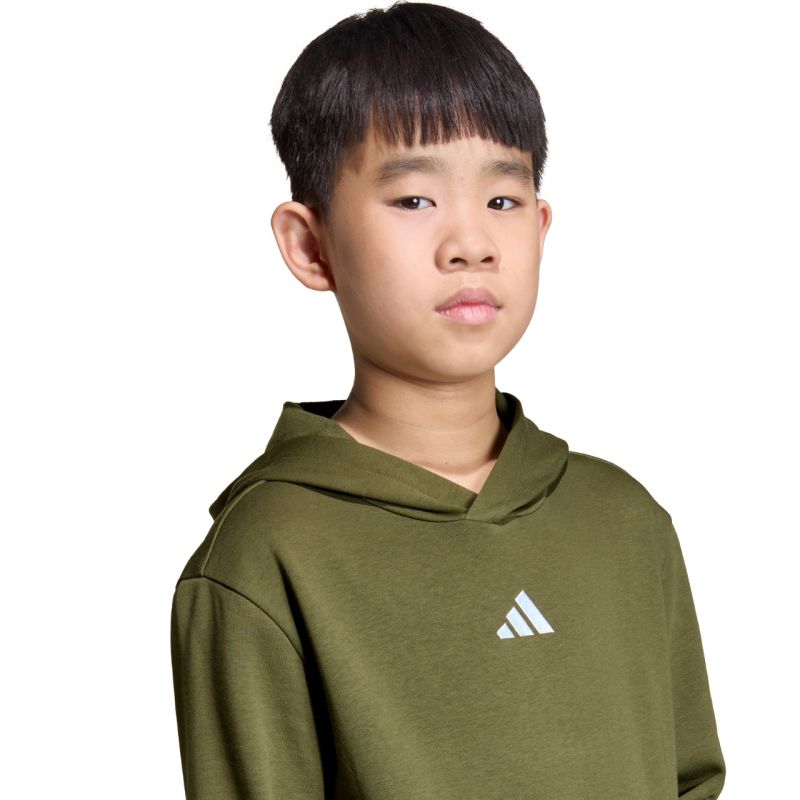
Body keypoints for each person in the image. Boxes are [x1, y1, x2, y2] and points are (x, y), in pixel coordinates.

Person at [169, 2, 726, 798]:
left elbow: (691, 779)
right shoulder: (265, 554)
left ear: (541, 227)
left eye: (502, 201)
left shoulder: (626, 520)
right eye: (414, 200)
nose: (471, 243)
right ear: (310, 245)